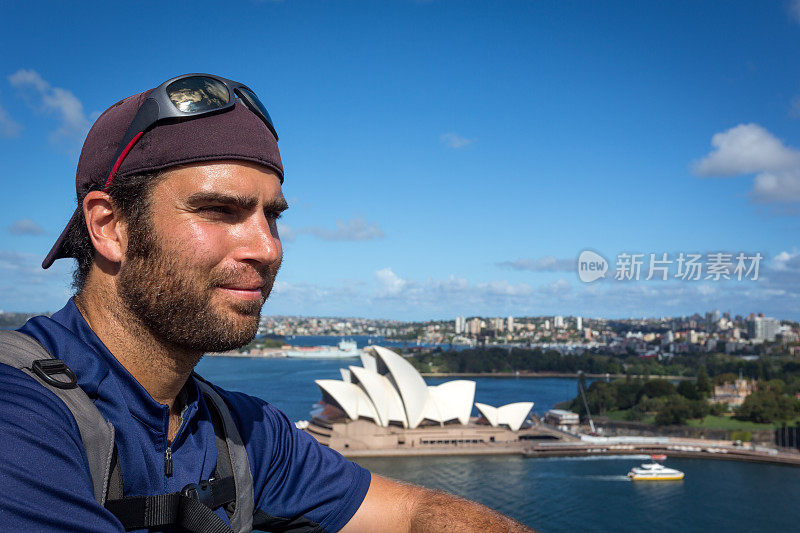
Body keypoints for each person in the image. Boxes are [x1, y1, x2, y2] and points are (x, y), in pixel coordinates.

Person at [0, 74, 533, 532]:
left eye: (271, 216)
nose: (268, 249)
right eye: (218, 210)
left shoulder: (240, 431)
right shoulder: (18, 414)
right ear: (109, 227)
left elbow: (416, 514)